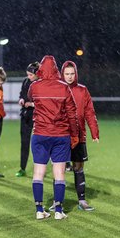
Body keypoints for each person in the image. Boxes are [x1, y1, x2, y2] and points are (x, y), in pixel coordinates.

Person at [27, 55, 79, 220]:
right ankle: (58, 211)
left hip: (40, 134)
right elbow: (72, 114)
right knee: (59, 173)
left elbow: (30, 98)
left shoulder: (34, 86)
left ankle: (39, 210)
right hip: (60, 135)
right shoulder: (64, 87)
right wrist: (75, 134)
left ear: (41, 68)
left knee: (39, 172)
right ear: (56, 69)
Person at [58, 60, 99, 211]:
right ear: (62, 74)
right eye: (66, 74)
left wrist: (94, 131)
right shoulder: (57, 89)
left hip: (79, 135)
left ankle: (82, 201)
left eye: (72, 73)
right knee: (59, 168)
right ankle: (58, 203)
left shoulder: (82, 90)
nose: (69, 77)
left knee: (78, 167)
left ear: (76, 74)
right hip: (61, 135)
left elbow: (89, 112)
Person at [15, 62, 39, 177]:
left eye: (31, 75)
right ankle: (22, 168)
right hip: (25, 116)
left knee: (39, 144)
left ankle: (40, 168)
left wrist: (32, 104)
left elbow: (44, 102)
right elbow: (21, 94)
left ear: (37, 74)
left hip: (38, 117)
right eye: (28, 74)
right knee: (24, 143)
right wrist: (21, 100)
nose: (28, 77)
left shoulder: (42, 84)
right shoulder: (25, 81)